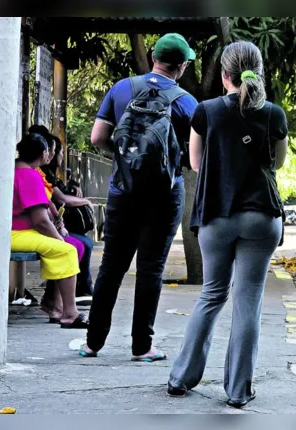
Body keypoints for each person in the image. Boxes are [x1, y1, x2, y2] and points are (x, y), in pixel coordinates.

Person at [166, 40, 288, 408]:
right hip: (261, 217)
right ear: (258, 72)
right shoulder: (274, 114)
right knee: (247, 299)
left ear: (224, 76)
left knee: (212, 295)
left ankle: (180, 378)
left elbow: (197, 163)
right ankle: (238, 391)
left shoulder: (204, 111)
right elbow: (277, 163)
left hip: (217, 216)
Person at [79, 33, 198, 361]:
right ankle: (142, 346)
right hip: (164, 195)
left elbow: (98, 137)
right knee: (150, 269)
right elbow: (195, 157)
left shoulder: (121, 89)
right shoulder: (187, 102)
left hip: (123, 190)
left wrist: (124, 158)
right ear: (183, 65)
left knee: (111, 266)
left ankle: (93, 343)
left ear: (154, 59)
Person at [10, 132, 89, 328]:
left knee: (71, 246)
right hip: (14, 233)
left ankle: (58, 306)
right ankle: (69, 313)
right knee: (67, 249)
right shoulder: (28, 175)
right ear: (44, 153)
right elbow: (41, 221)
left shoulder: (14, 169)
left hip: (13, 230)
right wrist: (58, 238)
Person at [40, 132, 96, 298]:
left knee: (84, 243)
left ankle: (73, 292)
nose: (58, 155)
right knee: (78, 245)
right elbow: (55, 200)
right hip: (43, 227)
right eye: (59, 151)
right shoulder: (38, 175)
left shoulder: (48, 175)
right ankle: (64, 296)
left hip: (55, 224)